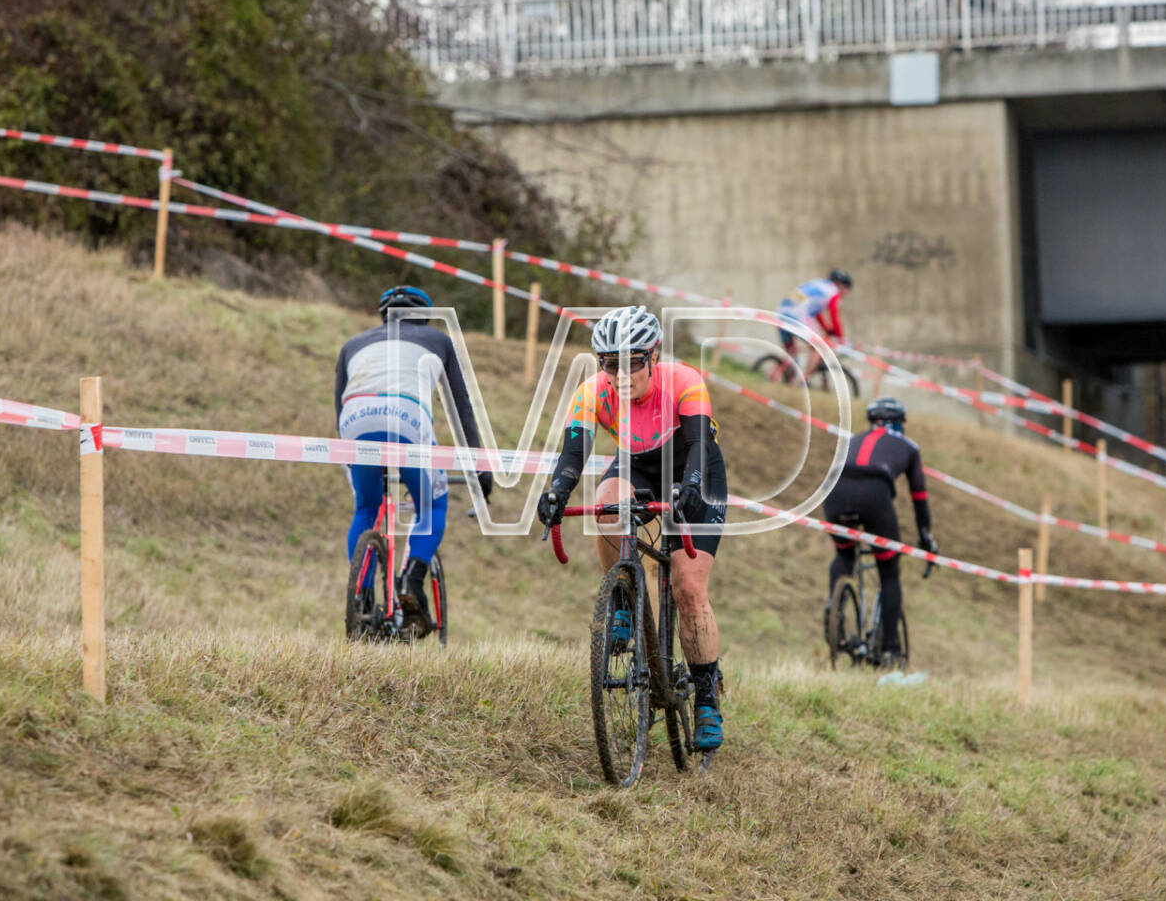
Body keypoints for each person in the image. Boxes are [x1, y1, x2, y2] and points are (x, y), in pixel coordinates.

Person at [536, 305, 729, 751]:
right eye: (610, 364)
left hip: (692, 464)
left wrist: (693, 486)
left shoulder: (683, 381)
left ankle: (704, 698)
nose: (622, 374)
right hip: (638, 464)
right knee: (605, 504)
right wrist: (557, 494)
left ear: (653, 355)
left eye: (633, 363)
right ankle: (624, 595)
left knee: (687, 587)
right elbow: (573, 452)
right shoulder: (593, 392)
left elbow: (700, 442)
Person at [335, 285, 492, 637]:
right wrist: (479, 466)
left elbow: (338, 408)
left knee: (366, 508)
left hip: (355, 420)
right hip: (406, 418)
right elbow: (461, 410)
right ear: (424, 317)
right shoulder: (437, 339)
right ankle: (411, 582)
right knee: (432, 505)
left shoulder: (353, 344)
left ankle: (360, 598)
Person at [823, 396, 938, 666]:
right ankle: (889, 649)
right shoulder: (909, 446)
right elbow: (919, 496)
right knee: (888, 571)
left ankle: (835, 614)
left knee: (844, 555)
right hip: (874, 494)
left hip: (835, 491)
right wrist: (925, 536)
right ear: (900, 423)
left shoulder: (853, 439)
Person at [773, 270, 852, 386]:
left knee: (791, 351)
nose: (846, 293)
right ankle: (802, 381)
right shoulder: (833, 292)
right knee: (819, 347)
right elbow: (835, 317)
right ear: (840, 285)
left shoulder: (819, 284)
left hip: (781, 313)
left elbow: (816, 313)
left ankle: (779, 376)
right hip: (797, 315)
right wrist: (841, 338)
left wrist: (827, 330)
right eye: (846, 289)